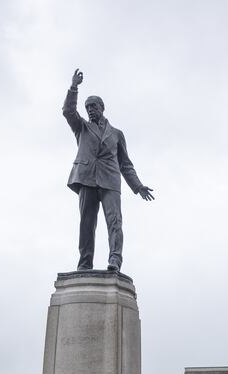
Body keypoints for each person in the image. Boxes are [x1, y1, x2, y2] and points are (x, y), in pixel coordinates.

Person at [62, 69, 154, 272]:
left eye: (93, 106)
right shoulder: (82, 128)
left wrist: (138, 186)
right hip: (86, 178)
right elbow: (68, 112)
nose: (90, 110)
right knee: (86, 223)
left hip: (110, 180)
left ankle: (115, 260)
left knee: (115, 222)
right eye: (87, 107)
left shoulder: (117, 134)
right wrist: (73, 87)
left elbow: (126, 164)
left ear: (102, 108)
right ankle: (85, 263)